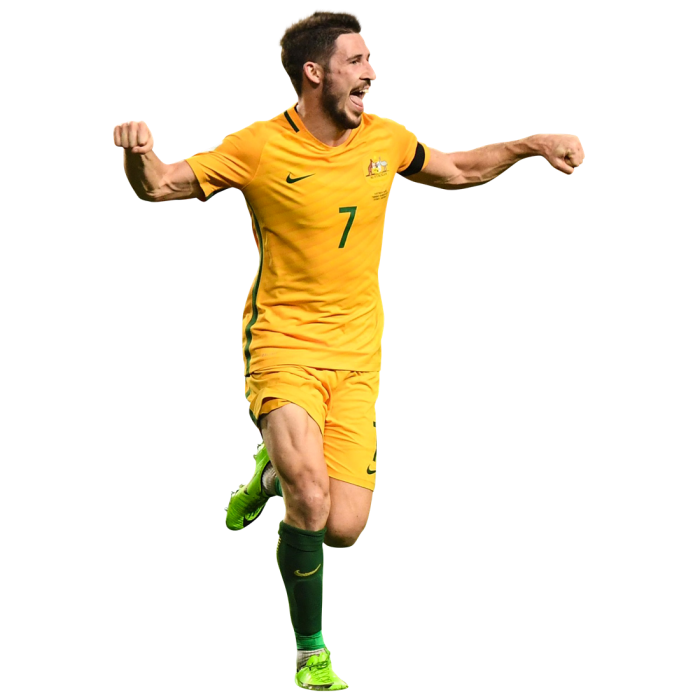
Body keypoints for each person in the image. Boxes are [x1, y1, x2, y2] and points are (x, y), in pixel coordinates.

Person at [114, 10, 584, 692]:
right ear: (315, 72)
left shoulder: (386, 139)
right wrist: (138, 152)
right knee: (309, 499)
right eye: (357, 61)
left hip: (359, 353)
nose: (372, 73)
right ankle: (310, 652)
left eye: (369, 60)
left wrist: (531, 144)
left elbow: (455, 170)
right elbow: (158, 185)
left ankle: (267, 477)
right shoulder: (258, 146)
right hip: (283, 343)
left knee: (341, 528)